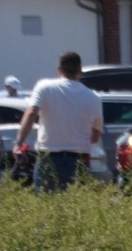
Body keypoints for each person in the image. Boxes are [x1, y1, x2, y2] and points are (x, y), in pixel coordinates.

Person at [18, 51, 105, 189]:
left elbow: (31, 112)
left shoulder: (44, 87)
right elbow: (94, 137)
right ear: (80, 70)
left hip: (49, 157)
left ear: (58, 70)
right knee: (75, 206)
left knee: (45, 204)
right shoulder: (93, 98)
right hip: (79, 159)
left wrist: (19, 142)